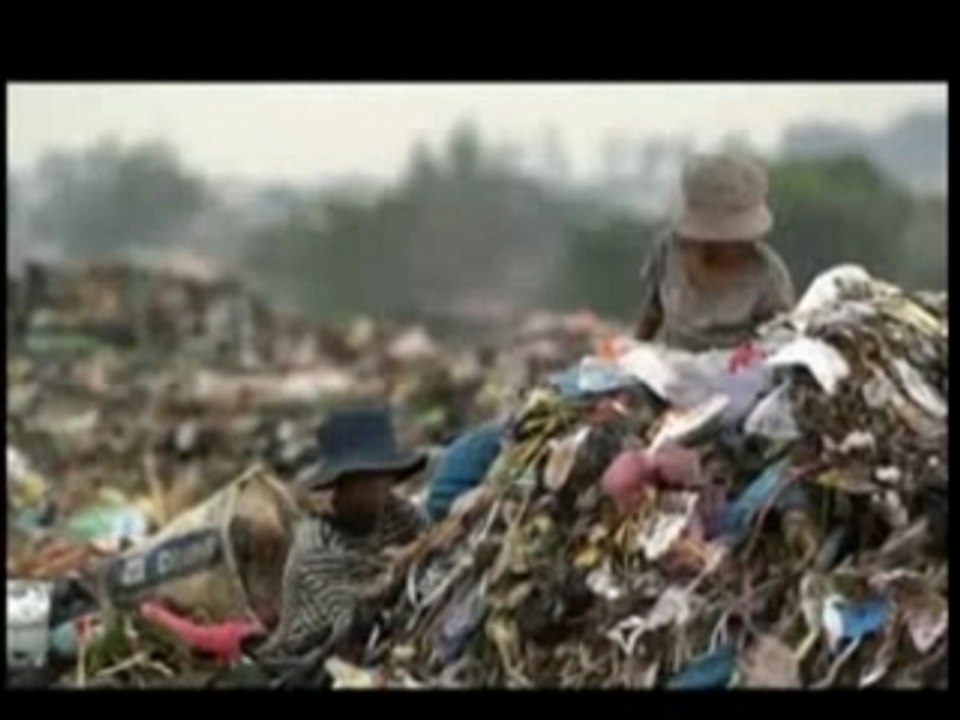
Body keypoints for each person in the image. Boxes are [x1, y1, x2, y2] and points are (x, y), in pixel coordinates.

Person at [257, 407, 428, 670]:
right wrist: (401, 566)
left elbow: (431, 553)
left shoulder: (398, 513)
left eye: (383, 476)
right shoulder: (316, 543)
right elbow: (352, 612)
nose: (381, 488)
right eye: (368, 479)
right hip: (310, 661)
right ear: (343, 484)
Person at [635, 152, 796, 352]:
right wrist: (633, 356)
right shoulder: (668, 252)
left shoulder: (769, 275)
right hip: (673, 369)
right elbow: (652, 312)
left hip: (739, 376)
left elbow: (779, 339)